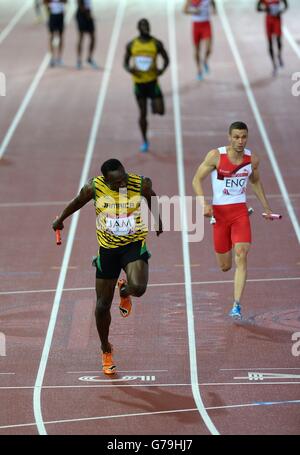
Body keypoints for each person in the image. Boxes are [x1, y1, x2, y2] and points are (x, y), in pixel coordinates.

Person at [52, 159, 163, 375]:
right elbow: (76, 202)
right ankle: (106, 348)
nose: (122, 184)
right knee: (102, 306)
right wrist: (60, 219)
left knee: (139, 288)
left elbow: (153, 199)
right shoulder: (94, 187)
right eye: (117, 182)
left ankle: (125, 290)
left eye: (123, 178)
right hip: (108, 250)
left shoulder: (141, 184)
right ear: (106, 181)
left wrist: (158, 220)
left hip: (133, 245)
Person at [192, 122, 274, 319]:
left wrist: (266, 207)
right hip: (219, 216)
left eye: (244, 137)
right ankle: (233, 291)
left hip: (240, 213)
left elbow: (254, 181)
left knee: (242, 254)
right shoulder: (216, 156)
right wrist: (204, 204)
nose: (240, 141)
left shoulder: (252, 159)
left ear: (247, 137)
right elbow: (196, 180)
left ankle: (236, 304)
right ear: (229, 137)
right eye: (236, 137)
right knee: (225, 266)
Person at [123, 18, 169, 153]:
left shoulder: (156, 43)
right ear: (139, 28)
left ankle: (153, 104)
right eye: (143, 26)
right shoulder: (132, 44)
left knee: (160, 111)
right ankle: (144, 140)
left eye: (147, 25)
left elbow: (167, 59)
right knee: (143, 114)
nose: (146, 28)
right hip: (139, 84)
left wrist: (162, 70)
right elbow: (125, 62)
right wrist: (129, 69)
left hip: (153, 82)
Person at [183, 0, 216, 80]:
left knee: (209, 49)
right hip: (196, 25)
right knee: (197, 50)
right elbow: (184, 10)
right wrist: (194, 12)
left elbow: (213, 2)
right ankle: (199, 70)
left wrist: (214, 9)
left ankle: (205, 61)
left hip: (206, 24)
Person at [257, 0, 288, 76]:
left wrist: (281, 11)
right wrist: (265, 10)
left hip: (277, 20)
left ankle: (279, 55)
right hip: (268, 21)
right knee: (270, 43)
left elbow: (286, 5)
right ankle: (274, 65)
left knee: (278, 41)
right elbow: (258, 8)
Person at [75, 0, 98, 69]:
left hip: (88, 12)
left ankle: (89, 58)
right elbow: (79, 3)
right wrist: (88, 15)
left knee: (93, 37)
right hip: (82, 14)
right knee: (81, 37)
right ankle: (79, 60)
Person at [44, 0, 67, 67]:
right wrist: (49, 5)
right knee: (51, 37)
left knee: (61, 36)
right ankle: (52, 57)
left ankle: (59, 57)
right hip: (52, 15)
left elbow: (66, 2)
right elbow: (44, 2)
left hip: (60, 15)